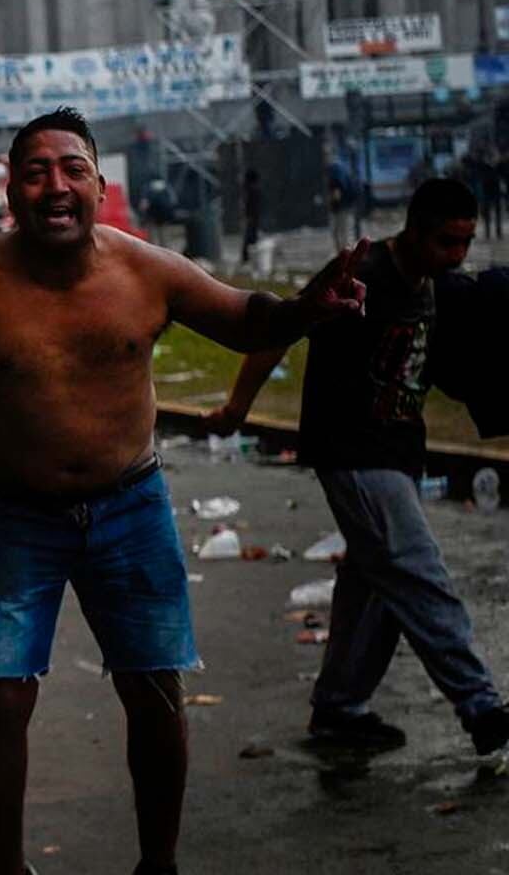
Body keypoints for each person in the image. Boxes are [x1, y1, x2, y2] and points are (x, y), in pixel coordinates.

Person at [0, 106, 368, 875]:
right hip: (6, 515)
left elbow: (245, 320)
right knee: (0, 700)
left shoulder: (147, 271)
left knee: (155, 693)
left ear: (98, 184)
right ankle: (8, 866)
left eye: (71, 170)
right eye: (34, 172)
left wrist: (306, 309)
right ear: (11, 190)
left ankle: (157, 862)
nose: (54, 186)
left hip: (130, 505)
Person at [206, 178, 509, 760]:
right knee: (417, 572)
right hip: (353, 451)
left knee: (375, 585)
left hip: (397, 451)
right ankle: (482, 708)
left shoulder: (435, 285)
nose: (457, 255)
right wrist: (238, 408)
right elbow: (279, 333)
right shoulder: (361, 273)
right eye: (447, 241)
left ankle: (340, 709)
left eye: (466, 242)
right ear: (414, 230)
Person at [240, 167, 262, 265]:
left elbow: (251, 206)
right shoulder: (254, 190)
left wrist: (248, 217)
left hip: (252, 219)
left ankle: (247, 259)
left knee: (250, 240)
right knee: (251, 239)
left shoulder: (252, 191)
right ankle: (250, 259)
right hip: (253, 218)